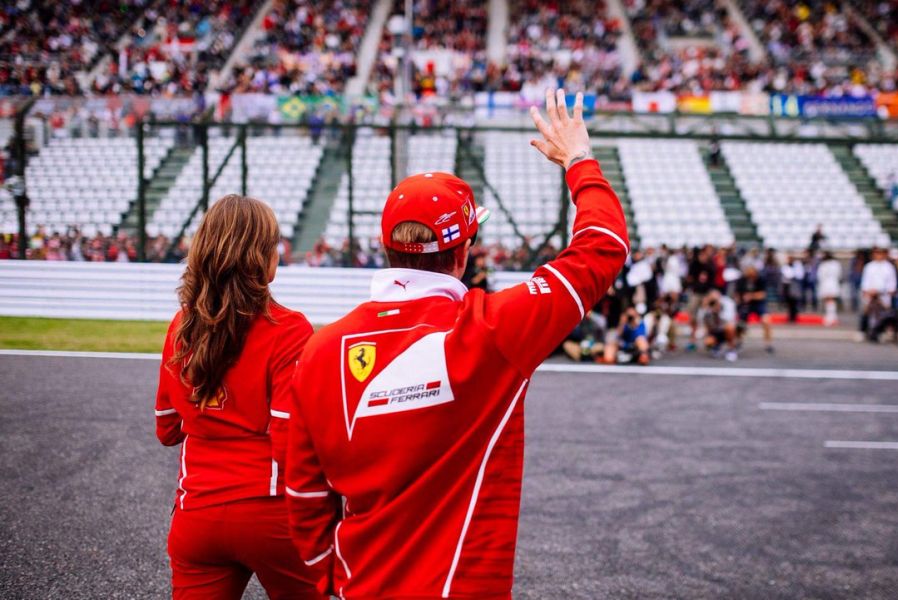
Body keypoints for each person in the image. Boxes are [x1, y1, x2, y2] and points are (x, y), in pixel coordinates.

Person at [283, 90, 629, 598]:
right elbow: (604, 246)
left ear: (386, 245)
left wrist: (332, 579)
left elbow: (304, 496)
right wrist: (579, 159)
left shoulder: (318, 351)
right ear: (464, 252)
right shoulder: (493, 329)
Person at [154, 195, 324, 599]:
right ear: (262, 257)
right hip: (271, 512)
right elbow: (292, 442)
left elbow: (167, 428)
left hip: (197, 513)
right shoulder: (290, 329)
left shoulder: (182, 326)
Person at [859, 246, 898, 342]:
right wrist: (868, 291)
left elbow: (891, 284)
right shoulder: (869, 266)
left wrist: (881, 291)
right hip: (870, 294)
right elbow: (865, 281)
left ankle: (881, 332)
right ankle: (863, 331)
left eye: (880, 253)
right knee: (867, 313)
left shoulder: (889, 267)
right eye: (876, 253)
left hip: (883, 295)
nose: (878, 255)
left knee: (884, 315)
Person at [736, 265, 774, 353]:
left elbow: (763, 294)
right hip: (745, 304)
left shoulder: (761, 279)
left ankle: (768, 344)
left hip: (758, 303)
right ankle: (738, 341)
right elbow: (737, 294)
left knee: (766, 320)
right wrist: (739, 302)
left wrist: (751, 296)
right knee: (740, 323)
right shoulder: (742, 280)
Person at [699, 289, 740, 361]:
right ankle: (716, 346)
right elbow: (700, 321)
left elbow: (729, 320)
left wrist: (718, 308)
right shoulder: (707, 306)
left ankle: (731, 349)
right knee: (708, 341)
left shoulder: (727, 303)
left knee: (729, 328)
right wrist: (705, 308)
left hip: (725, 329)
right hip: (714, 330)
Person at [817, 251, 842, 326]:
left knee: (828, 301)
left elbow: (820, 276)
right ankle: (833, 317)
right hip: (833, 283)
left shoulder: (823, 265)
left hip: (826, 284)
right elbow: (839, 275)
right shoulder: (836, 264)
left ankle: (830, 318)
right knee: (832, 301)